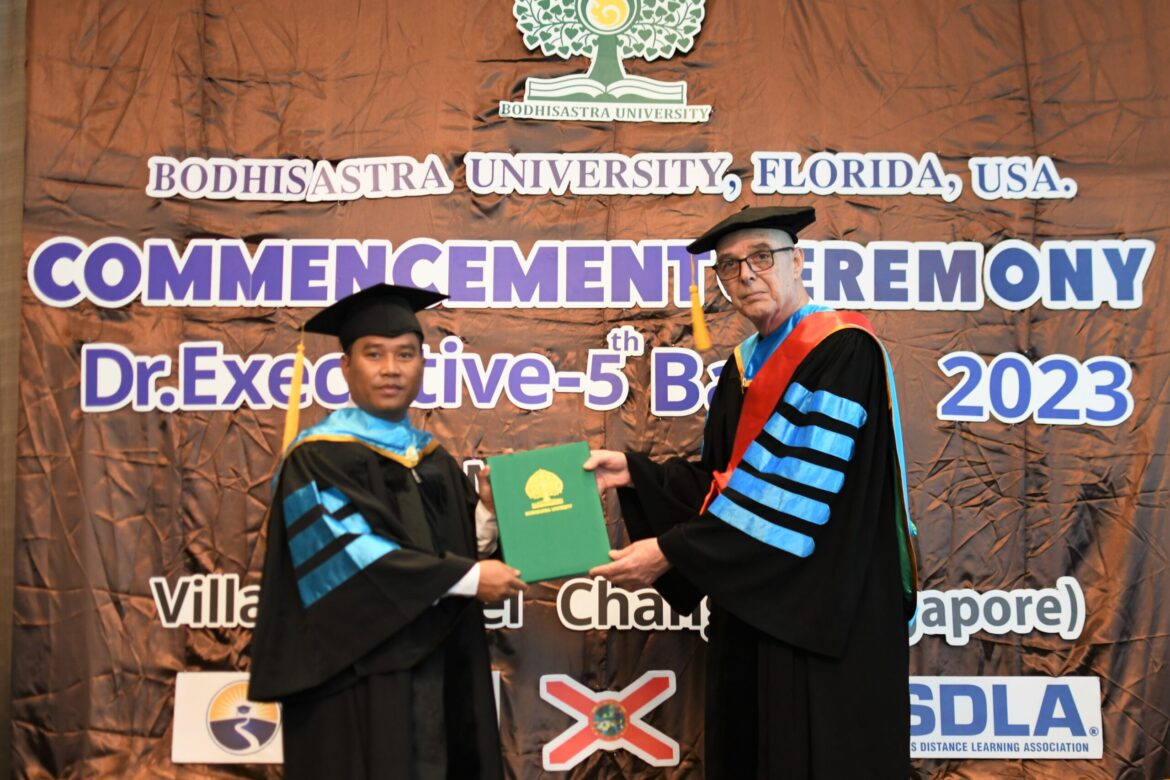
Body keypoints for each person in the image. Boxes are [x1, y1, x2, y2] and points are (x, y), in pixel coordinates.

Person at [585, 206, 918, 779]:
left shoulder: (843, 351)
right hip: (752, 609)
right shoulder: (740, 370)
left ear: (798, 260)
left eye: (761, 257)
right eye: (729, 266)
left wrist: (672, 551)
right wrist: (636, 474)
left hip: (825, 615)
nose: (745, 275)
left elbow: (795, 491)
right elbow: (726, 484)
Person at [248, 283, 525, 780]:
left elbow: (458, 551)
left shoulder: (433, 458)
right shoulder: (316, 457)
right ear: (345, 367)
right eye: (374, 354)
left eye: (405, 354)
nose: (391, 368)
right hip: (356, 677)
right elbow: (347, 559)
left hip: (441, 671)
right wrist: (465, 578)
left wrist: (486, 512)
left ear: (423, 364)